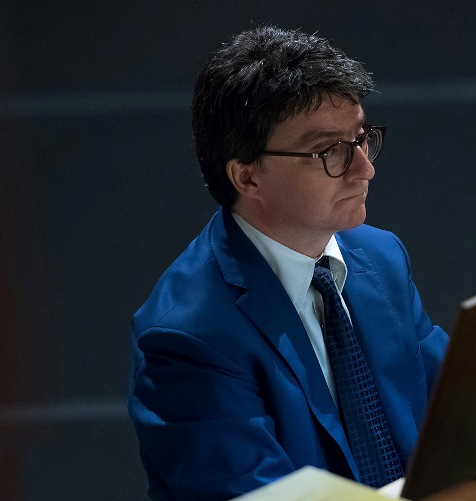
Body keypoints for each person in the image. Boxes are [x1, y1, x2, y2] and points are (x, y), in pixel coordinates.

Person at [128, 25, 449, 500]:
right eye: (330, 151)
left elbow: (457, 406)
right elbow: (255, 493)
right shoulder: (186, 336)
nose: (365, 168)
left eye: (361, 138)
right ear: (247, 177)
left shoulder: (381, 258)